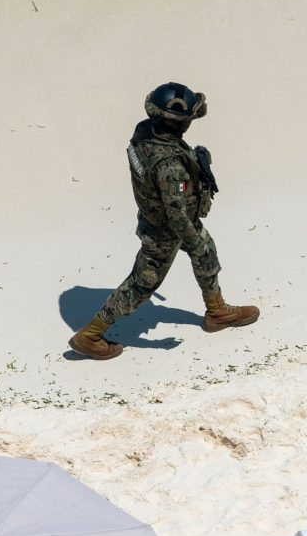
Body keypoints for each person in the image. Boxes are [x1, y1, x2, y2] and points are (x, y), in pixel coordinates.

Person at [68, 84, 261, 359]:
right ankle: (91, 335)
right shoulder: (169, 166)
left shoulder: (145, 132)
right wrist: (192, 242)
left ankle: (217, 311)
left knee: (208, 255)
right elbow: (176, 214)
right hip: (166, 231)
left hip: (156, 216)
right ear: (176, 123)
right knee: (141, 284)